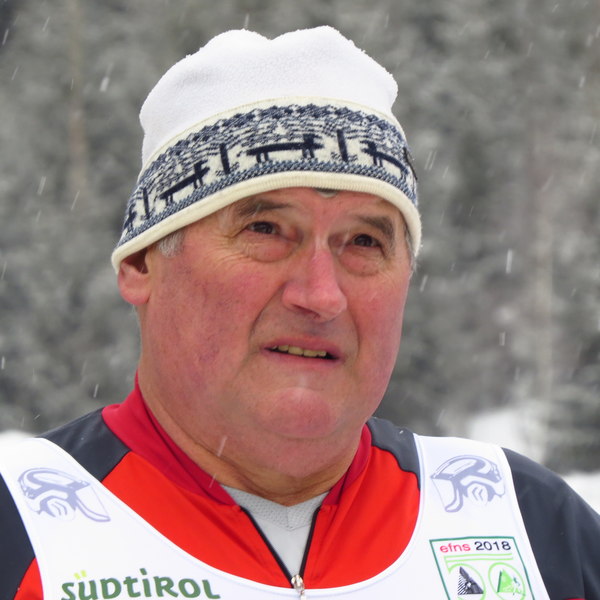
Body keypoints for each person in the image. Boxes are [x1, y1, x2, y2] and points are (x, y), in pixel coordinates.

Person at [1, 26, 598, 600]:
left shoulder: (527, 526)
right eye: (265, 229)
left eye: (364, 242)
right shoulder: (23, 531)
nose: (321, 295)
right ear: (141, 263)